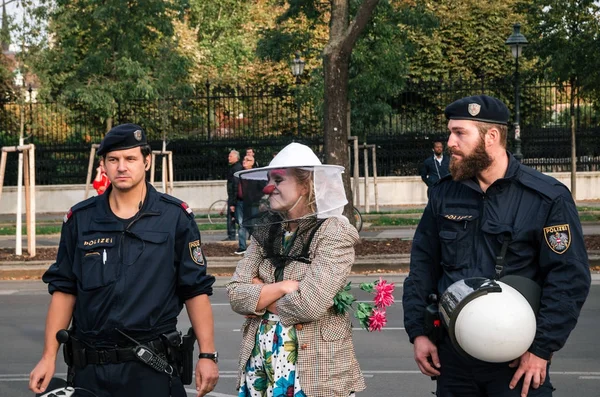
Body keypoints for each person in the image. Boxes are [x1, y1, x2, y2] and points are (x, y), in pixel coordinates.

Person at [402, 95, 591, 397]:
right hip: (453, 359)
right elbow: (422, 267)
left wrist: (542, 348)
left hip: (516, 362)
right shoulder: (444, 194)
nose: (450, 142)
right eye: (450, 132)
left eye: (460, 133)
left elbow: (568, 277)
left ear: (491, 136)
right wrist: (419, 333)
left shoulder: (545, 197)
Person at [29, 123, 219, 397]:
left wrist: (208, 355)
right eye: (113, 159)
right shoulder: (80, 219)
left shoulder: (175, 218)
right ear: (103, 165)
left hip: (152, 368)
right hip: (90, 371)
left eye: (130, 158)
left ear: (146, 161)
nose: (121, 167)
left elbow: (195, 289)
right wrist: (48, 356)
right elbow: (64, 290)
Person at [226, 142, 365, 397]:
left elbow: (309, 304)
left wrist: (261, 291)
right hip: (261, 365)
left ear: (305, 184)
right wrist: (281, 287)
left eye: (278, 179)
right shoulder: (267, 230)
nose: (270, 187)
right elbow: (235, 294)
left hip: (311, 371)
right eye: (269, 179)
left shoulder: (333, 231)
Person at [227, 150, 244, 242]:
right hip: (232, 196)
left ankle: (232, 235)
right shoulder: (234, 167)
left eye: (230, 156)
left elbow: (234, 185)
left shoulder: (236, 168)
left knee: (234, 217)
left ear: (236, 157)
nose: (228, 158)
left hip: (234, 197)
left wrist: (232, 202)